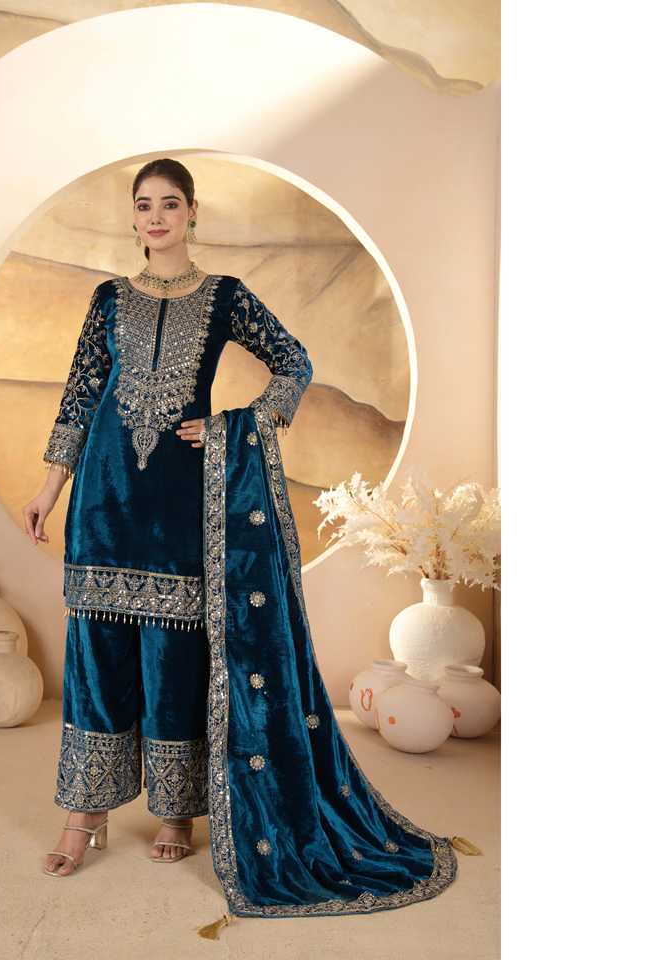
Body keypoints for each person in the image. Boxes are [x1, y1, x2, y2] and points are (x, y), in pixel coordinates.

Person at [24, 159, 469, 919]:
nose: (156, 216)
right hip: (102, 500)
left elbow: (295, 363)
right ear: (132, 218)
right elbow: (80, 393)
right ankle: (83, 814)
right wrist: (50, 488)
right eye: (144, 205)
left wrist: (240, 424)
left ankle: (175, 811)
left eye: (170, 204)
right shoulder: (108, 299)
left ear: (193, 213)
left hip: (183, 503)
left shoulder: (225, 295)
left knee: (174, 655)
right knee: (96, 652)